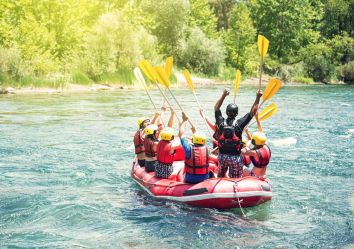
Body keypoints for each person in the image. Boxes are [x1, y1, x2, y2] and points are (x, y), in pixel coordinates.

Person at [214, 88, 262, 178]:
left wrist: (224, 95)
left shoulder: (220, 122)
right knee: (235, 179)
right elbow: (253, 112)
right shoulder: (240, 123)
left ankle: (220, 181)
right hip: (235, 158)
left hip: (222, 157)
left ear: (226, 112)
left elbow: (216, 107)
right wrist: (258, 97)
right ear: (236, 114)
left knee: (220, 175)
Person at [179, 112, 210, 184]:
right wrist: (194, 132)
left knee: (181, 172)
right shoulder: (207, 149)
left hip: (190, 179)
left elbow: (181, 134)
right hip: (205, 178)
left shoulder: (188, 148)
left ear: (193, 140)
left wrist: (184, 121)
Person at [242, 111, 271, 178]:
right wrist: (257, 119)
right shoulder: (266, 146)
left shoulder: (253, 152)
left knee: (241, 166)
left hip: (254, 176)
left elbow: (242, 152)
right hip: (263, 176)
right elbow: (261, 132)